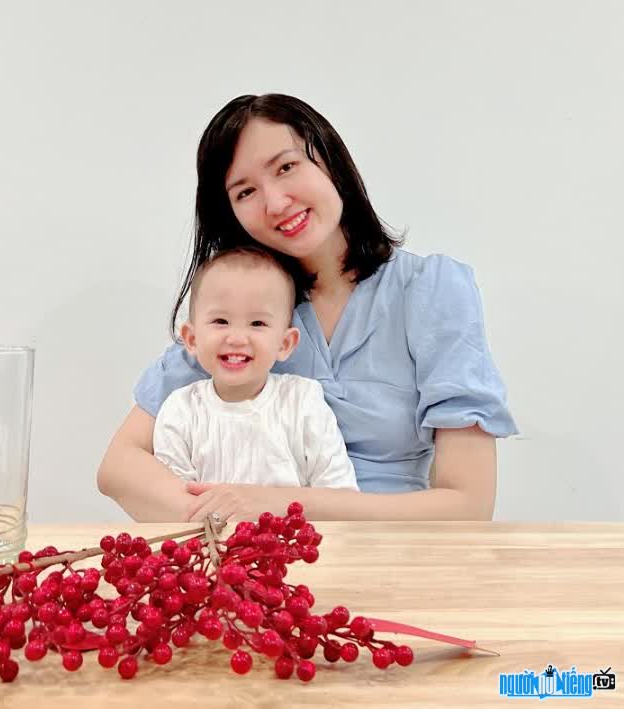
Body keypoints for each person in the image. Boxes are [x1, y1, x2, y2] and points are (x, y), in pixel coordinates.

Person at [97, 93, 517, 523]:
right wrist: (227, 519)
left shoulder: (431, 289)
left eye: (286, 167)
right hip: (261, 561)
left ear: (330, 160)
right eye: (245, 191)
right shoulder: (241, 308)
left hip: (396, 554)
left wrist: (281, 506)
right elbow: (119, 467)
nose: (276, 202)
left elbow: (468, 504)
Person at [152, 245, 358, 493]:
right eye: (221, 321)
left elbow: (338, 493)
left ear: (285, 343)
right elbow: (177, 502)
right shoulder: (181, 412)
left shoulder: (302, 402)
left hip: (298, 530)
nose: (237, 338)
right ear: (192, 339)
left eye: (257, 323)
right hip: (210, 530)